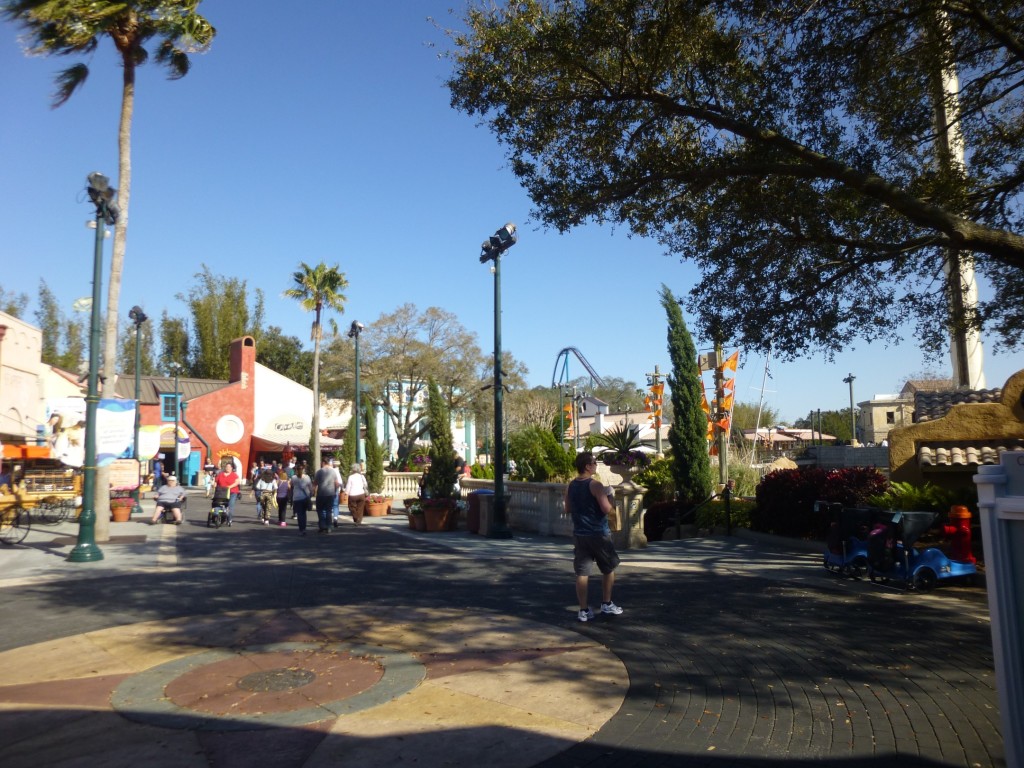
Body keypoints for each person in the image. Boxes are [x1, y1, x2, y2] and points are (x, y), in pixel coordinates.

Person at [564, 451, 623, 622]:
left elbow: (567, 508)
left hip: (580, 534)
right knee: (609, 568)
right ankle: (607, 603)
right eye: (594, 463)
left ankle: (583, 610)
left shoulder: (571, 485)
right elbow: (607, 509)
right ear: (587, 466)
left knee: (582, 573)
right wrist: (610, 495)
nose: (596, 465)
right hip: (598, 534)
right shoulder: (595, 485)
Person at [312, 457, 339, 533]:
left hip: (321, 493)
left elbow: (315, 483)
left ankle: (322, 526)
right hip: (330, 493)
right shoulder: (333, 472)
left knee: (320, 510)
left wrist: (312, 491)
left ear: (323, 463)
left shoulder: (319, 472)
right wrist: (335, 491)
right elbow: (336, 483)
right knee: (328, 511)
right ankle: (329, 526)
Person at [215, 460, 240, 526]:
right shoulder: (220, 474)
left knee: (230, 505)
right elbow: (215, 482)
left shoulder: (234, 475)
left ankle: (229, 519)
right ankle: (221, 517)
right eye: (226, 467)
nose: (227, 468)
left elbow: (237, 482)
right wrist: (213, 484)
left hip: (232, 492)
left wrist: (229, 487)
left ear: (232, 468)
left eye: (229, 467)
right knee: (220, 504)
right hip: (222, 493)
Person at [290, 463, 313, 535]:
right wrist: (310, 495)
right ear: (303, 470)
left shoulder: (293, 478)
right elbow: (311, 488)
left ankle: (301, 529)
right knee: (304, 514)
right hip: (305, 497)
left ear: (296, 470)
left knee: (299, 514)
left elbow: (291, 485)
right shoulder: (307, 477)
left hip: (296, 498)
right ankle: (304, 528)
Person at [330, 458, 344, 527]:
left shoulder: (328, 470)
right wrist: (342, 488)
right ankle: (335, 518)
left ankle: (328, 520)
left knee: (329, 506)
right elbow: (340, 482)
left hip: (328, 490)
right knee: (335, 505)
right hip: (335, 490)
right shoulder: (336, 471)